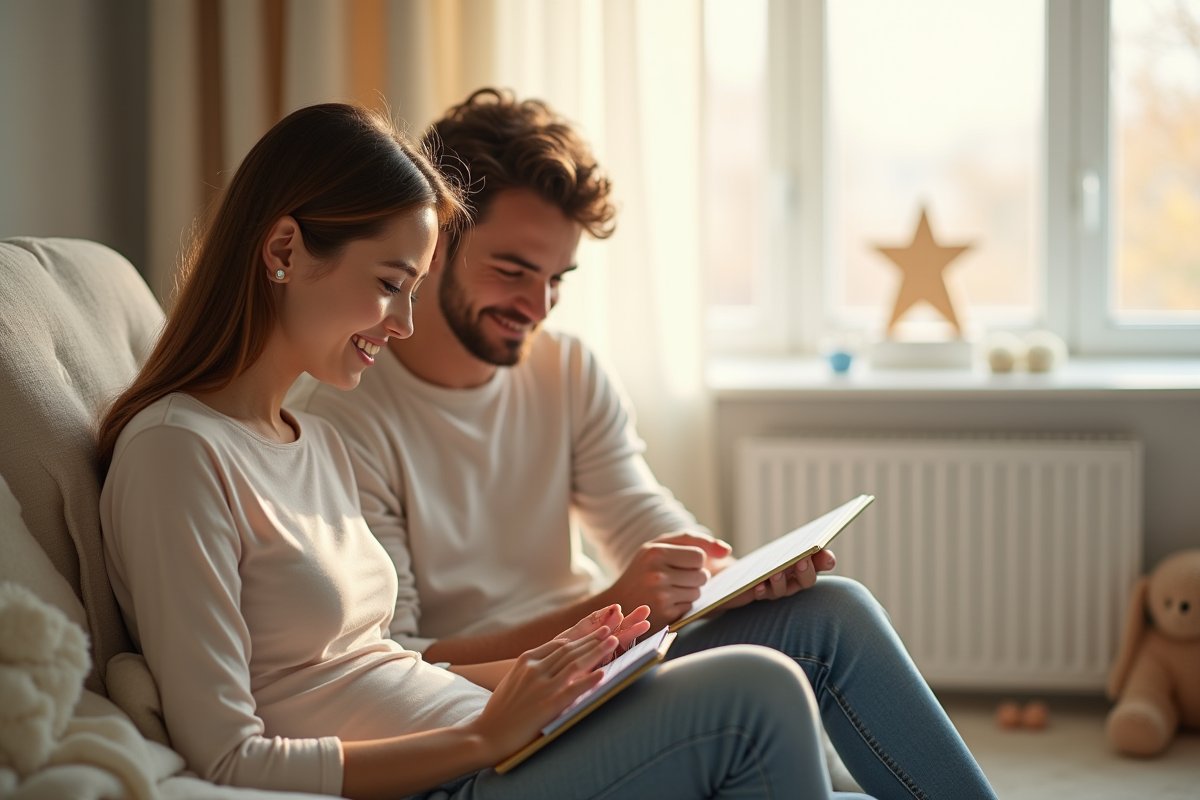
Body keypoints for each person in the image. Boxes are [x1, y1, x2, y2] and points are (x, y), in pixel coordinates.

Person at [97, 103, 868, 800]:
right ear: (286, 249)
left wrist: (568, 661)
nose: (403, 321)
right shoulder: (177, 454)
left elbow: (383, 665)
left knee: (809, 633)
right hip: (456, 770)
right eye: (391, 283)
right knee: (755, 694)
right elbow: (228, 758)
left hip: (493, 735)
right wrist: (484, 735)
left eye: (414, 287)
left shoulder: (314, 441)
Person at [297, 89, 999, 800]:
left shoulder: (566, 370)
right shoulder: (347, 419)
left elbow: (642, 514)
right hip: (496, 715)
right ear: (435, 244)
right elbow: (402, 661)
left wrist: (733, 578)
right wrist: (609, 607)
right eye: (512, 271)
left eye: (557, 279)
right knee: (762, 692)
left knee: (835, 613)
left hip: (604, 670)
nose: (537, 307)